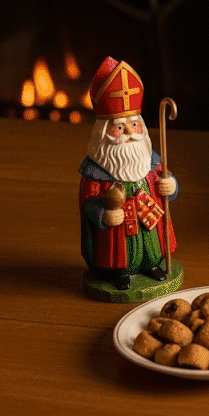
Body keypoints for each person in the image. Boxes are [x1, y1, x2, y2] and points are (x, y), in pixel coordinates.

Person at [79, 57, 179, 289]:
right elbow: (88, 201)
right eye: (119, 127)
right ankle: (120, 272)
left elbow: (165, 178)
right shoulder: (96, 169)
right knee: (120, 249)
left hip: (149, 218)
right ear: (104, 132)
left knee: (151, 244)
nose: (129, 134)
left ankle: (151, 265)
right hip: (118, 228)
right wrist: (102, 214)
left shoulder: (150, 160)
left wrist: (171, 185)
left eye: (134, 125)